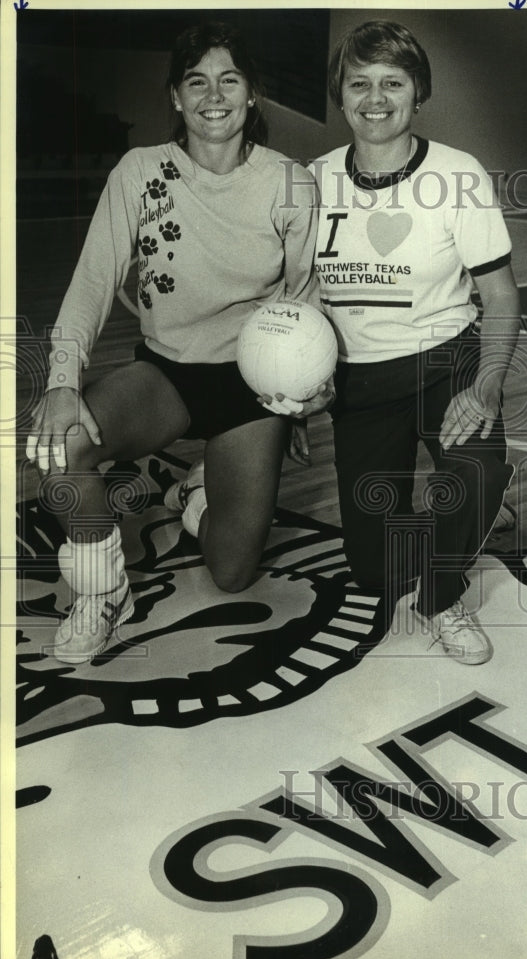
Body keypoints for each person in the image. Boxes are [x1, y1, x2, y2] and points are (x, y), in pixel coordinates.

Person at [25, 21, 331, 665]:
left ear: (252, 94)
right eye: (197, 81)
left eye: (229, 80)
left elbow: (304, 299)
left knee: (232, 572)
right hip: (166, 374)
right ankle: (104, 593)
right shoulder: (140, 171)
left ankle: (196, 496)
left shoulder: (290, 182)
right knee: (62, 449)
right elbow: (92, 282)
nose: (213, 96)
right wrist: (61, 381)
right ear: (175, 95)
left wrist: (300, 395)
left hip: (250, 387)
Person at [263, 20, 519, 665]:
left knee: (477, 469)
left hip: (447, 362)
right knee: (376, 571)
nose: (375, 99)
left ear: (418, 92)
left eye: (392, 83)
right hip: (361, 380)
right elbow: (299, 299)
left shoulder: (457, 175)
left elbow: (502, 296)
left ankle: (444, 595)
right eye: (359, 83)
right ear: (340, 95)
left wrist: (487, 385)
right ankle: (464, 520)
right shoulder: (310, 180)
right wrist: (293, 391)